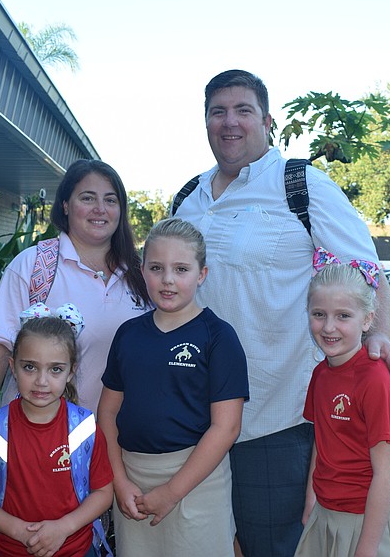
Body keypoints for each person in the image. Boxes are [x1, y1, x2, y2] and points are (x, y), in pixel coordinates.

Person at [171, 69, 390, 557]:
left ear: (268, 121)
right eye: (218, 111)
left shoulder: (301, 185)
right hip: (195, 413)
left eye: (243, 111)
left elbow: (366, 270)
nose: (229, 122)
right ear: (205, 121)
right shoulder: (188, 198)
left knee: (273, 546)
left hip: (273, 417)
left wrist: (377, 335)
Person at [98, 218, 248, 556]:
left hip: (196, 480)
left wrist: (171, 491)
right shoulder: (128, 334)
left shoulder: (218, 337)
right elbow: (107, 413)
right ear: (142, 270)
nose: (168, 279)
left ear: (202, 274)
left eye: (181, 269)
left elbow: (227, 427)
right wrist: (119, 480)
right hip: (132, 480)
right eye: (156, 267)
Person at [0, 159, 151, 423]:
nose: (100, 209)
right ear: (65, 205)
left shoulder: (142, 273)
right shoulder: (34, 265)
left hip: (120, 443)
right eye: (87, 198)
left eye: (110, 200)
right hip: (39, 442)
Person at [0, 312, 114, 557]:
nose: (41, 381)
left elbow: (104, 493)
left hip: (76, 550)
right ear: (13, 366)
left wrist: (64, 527)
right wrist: (19, 530)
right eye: (30, 367)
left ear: (71, 372)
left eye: (55, 369)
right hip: (10, 550)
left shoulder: (85, 428)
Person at [295, 256, 390, 557]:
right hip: (327, 509)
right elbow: (322, 442)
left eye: (343, 316)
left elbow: (385, 474)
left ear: (368, 319)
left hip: (370, 519)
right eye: (319, 314)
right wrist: (312, 501)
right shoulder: (321, 373)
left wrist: (367, 549)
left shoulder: (376, 380)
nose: (329, 327)